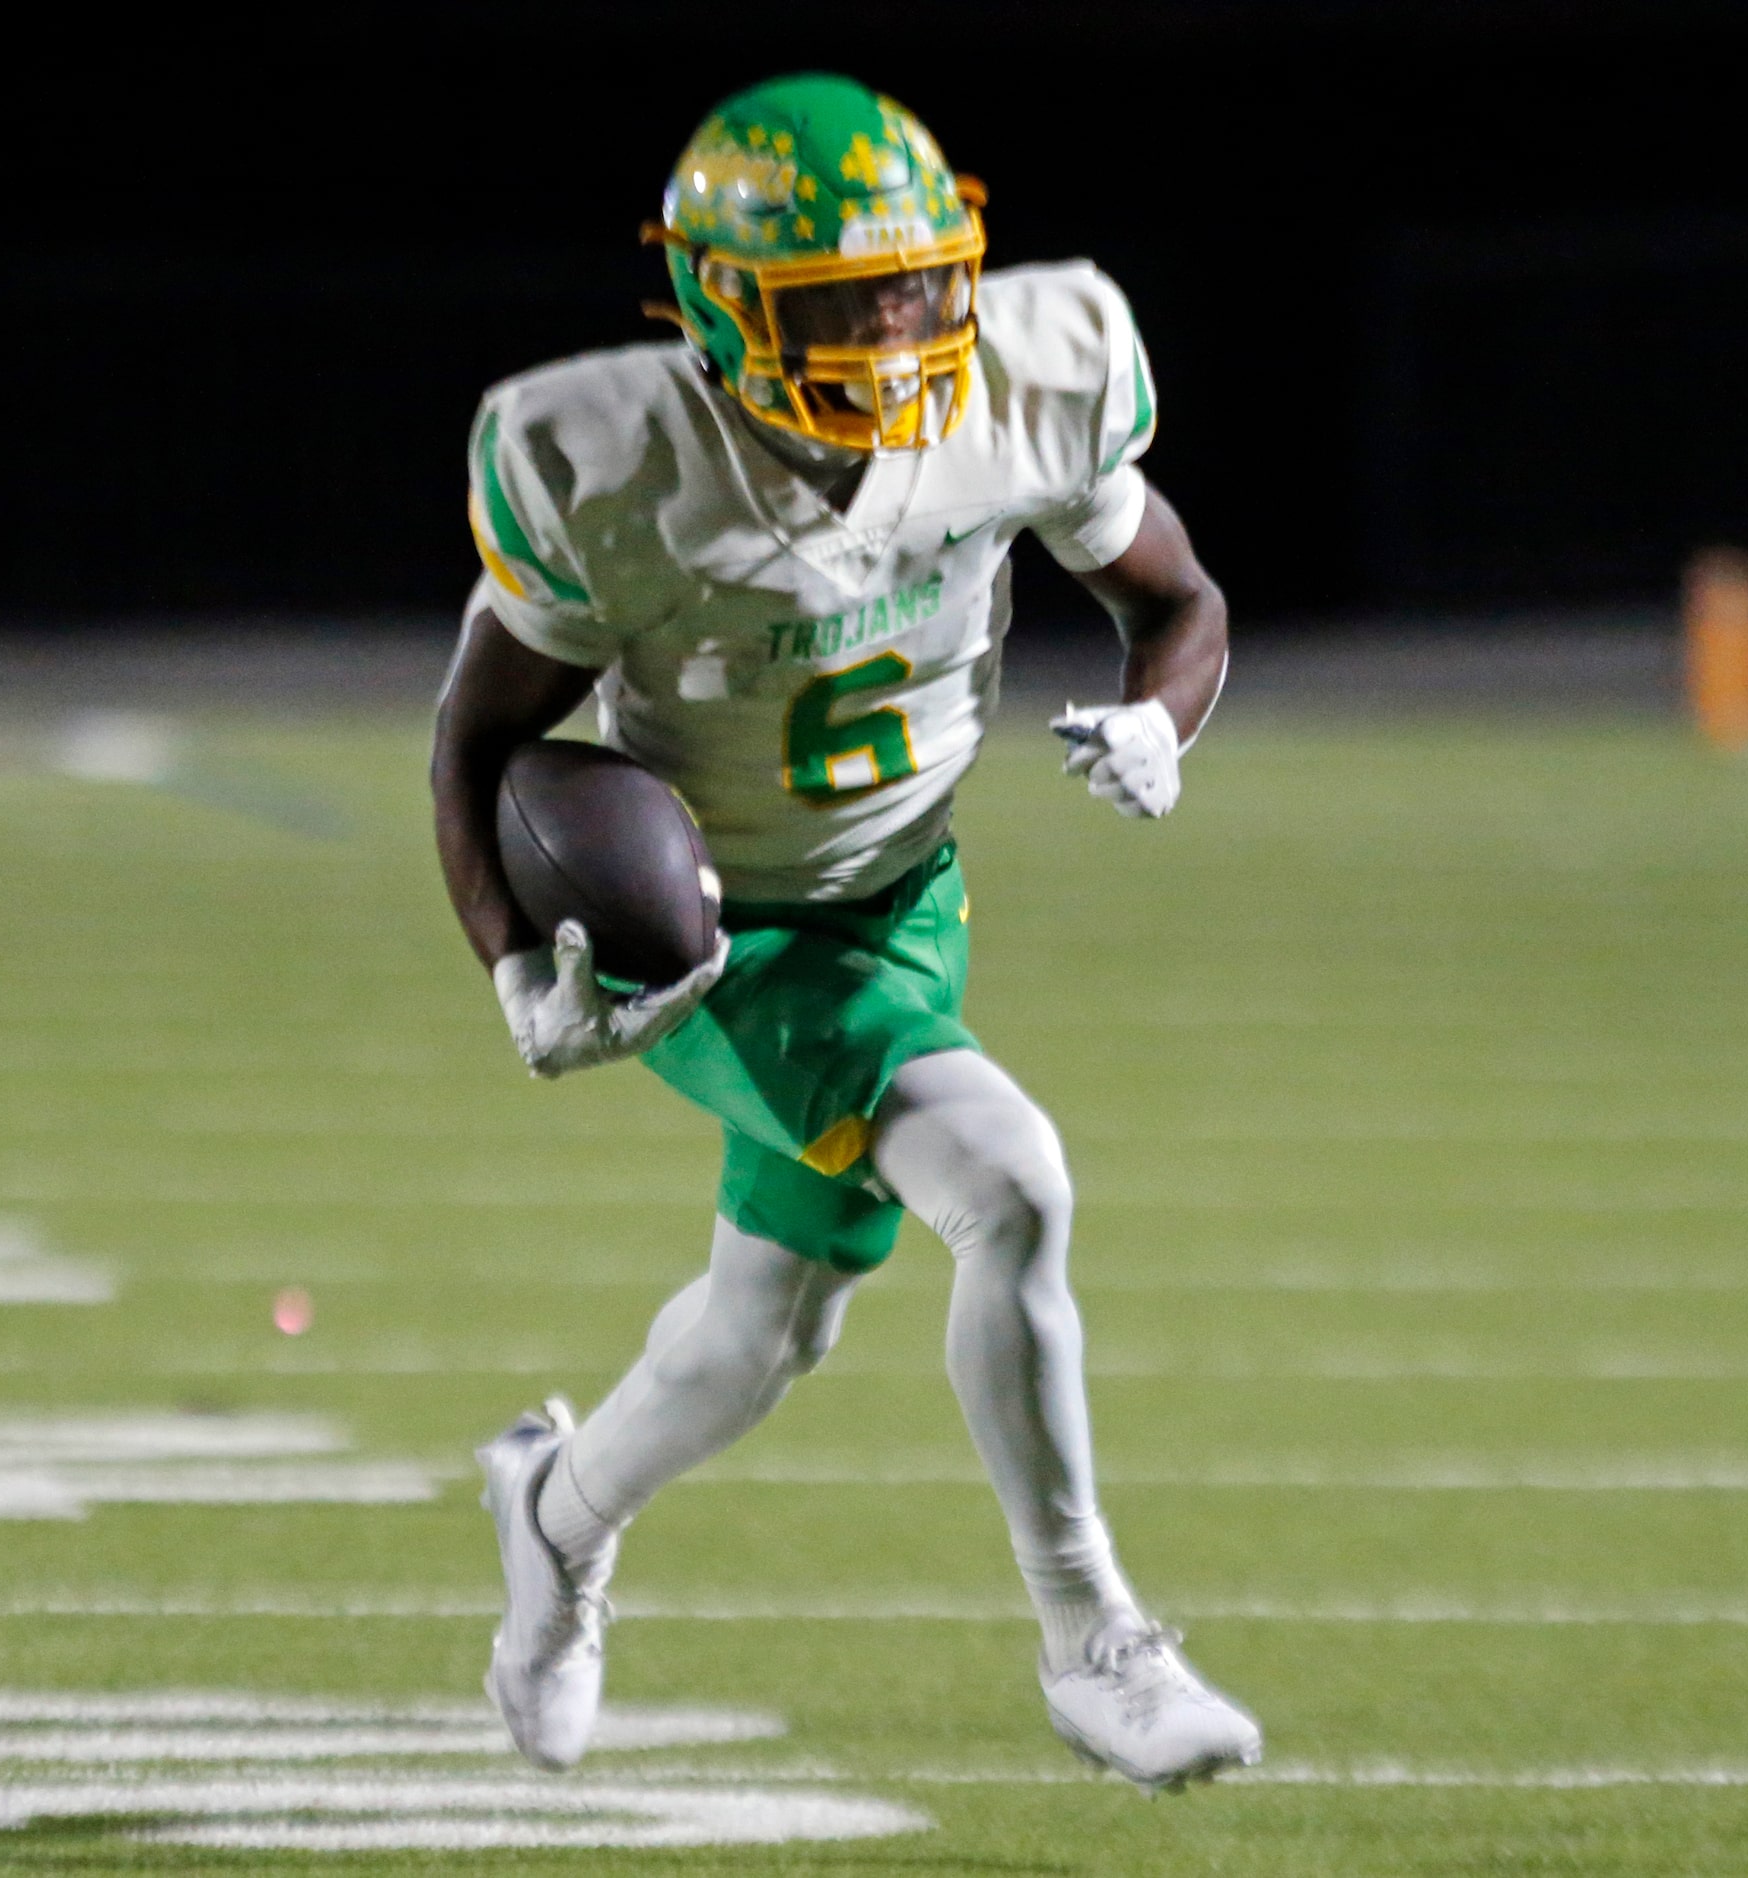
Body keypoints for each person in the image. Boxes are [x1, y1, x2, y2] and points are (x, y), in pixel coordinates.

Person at [430, 72, 1259, 1795]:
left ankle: (551, 1515)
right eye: (837, 301)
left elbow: (1175, 598)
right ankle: (1092, 1633)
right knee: (1010, 1180)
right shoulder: (614, 463)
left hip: (909, 901)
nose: (893, 333)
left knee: (762, 1338)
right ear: (722, 308)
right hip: (723, 939)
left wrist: (1158, 724)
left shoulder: (1029, 378)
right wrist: (521, 961)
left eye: (913, 283)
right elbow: (476, 738)